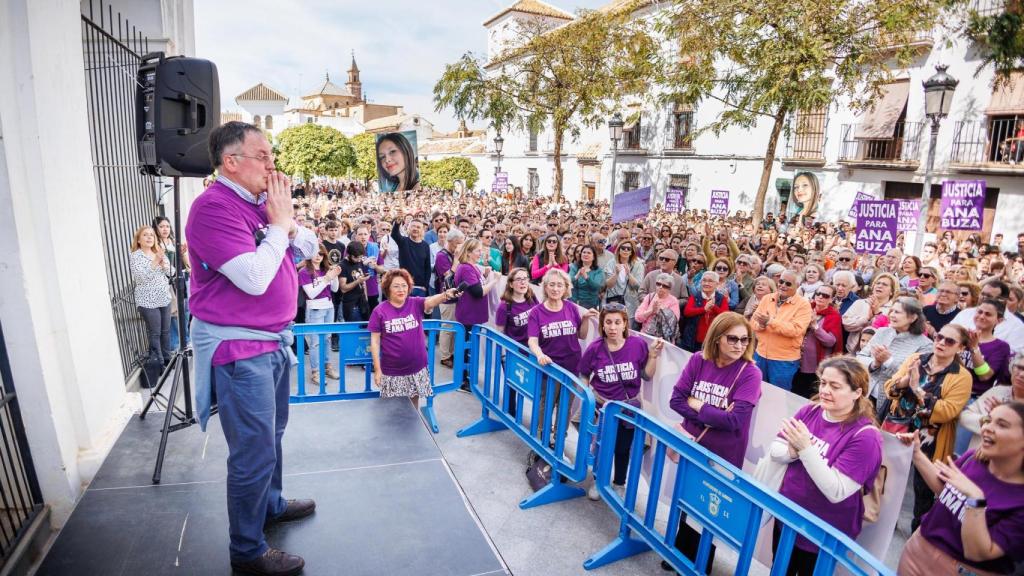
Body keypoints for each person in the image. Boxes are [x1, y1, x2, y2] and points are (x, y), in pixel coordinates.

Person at [186, 121, 319, 575]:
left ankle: (272, 505)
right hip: (240, 350)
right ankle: (246, 551)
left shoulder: (259, 204)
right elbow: (256, 277)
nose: (272, 164)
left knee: (272, 437)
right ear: (231, 162)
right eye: (262, 156)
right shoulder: (213, 208)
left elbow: (309, 245)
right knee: (253, 451)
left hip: (268, 344)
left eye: (271, 155)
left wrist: (283, 226)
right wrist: (281, 227)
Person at [767, 356, 882, 576]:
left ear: (857, 393)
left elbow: (836, 491)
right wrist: (793, 451)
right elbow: (776, 450)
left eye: (835, 386)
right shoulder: (810, 411)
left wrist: (805, 449)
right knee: (780, 569)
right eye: (823, 383)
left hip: (823, 534)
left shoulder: (866, 437)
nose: (825, 391)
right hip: (788, 518)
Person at [665, 312, 762, 573]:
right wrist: (714, 413)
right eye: (733, 339)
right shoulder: (699, 360)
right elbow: (675, 400)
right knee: (685, 498)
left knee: (708, 512)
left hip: (723, 454)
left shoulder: (750, 372)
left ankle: (698, 566)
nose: (740, 345)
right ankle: (677, 551)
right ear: (717, 338)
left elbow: (735, 421)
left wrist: (697, 404)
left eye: (745, 339)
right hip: (692, 443)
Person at [896, 401, 1024, 576]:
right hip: (918, 551)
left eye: (1002, 425)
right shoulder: (973, 458)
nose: (987, 428)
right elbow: (944, 490)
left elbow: (977, 552)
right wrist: (917, 453)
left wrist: (976, 499)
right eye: (989, 420)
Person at [881, 324, 972, 530]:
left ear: (961, 348)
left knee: (923, 491)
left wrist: (917, 389)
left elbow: (947, 411)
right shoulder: (917, 359)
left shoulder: (962, 376)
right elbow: (890, 390)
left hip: (930, 440)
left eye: (950, 341)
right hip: (899, 429)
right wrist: (904, 382)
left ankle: (918, 532)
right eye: (939, 337)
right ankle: (883, 523)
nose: (941, 343)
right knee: (887, 480)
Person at [578, 305, 662, 497]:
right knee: (600, 444)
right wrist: (589, 398)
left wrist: (653, 356)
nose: (613, 327)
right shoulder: (595, 348)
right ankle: (598, 481)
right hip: (603, 408)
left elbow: (647, 376)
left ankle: (619, 483)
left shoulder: (637, 345)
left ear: (625, 324)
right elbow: (583, 375)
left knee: (623, 448)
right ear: (602, 325)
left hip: (628, 408)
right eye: (608, 322)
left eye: (618, 322)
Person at [369, 269, 459, 406]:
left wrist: (446, 295)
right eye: (396, 286)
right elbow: (375, 342)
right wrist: (377, 369)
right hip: (392, 371)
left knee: (413, 406)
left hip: (417, 367)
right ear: (388, 288)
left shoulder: (415, 303)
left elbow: (430, 301)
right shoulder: (379, 311)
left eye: (404, 285)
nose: (401, 289)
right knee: (391, 409)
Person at [856, 297, 933, 403]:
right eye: (891, 311)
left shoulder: (925, 344)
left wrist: (888, 361)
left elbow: (915, 376)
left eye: (897, 312)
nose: (891, 315)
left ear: (913, 317)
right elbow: (860, 357)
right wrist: (875, 363)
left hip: (894, 399)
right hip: (867, 393)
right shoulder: (882, 332)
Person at [752, 270, 813, 391]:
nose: (783, 285)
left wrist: (770, 322)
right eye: (781, 281)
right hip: (760, 355)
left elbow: (796, 330)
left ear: (797, 286)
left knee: (777, 397)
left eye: (788, 284)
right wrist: (761, 325)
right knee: (755, 392)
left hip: (784, 360)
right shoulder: (767, 298)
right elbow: (753, 322)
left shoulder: (803, 305)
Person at [130, 225, 173, 388]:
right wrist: (155, 263)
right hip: (148, 301)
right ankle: (160, 365)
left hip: (164, 298)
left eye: (151, 235)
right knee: (155, 333)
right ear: (139, 240)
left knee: (166, 331)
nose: (149, 237)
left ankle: (168, 360)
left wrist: (164, 264)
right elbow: (141, 278)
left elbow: (171, 272)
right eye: (145, 235)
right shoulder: (136, 256)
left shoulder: (158, 252)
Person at [959, 352, 1024, 452]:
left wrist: (1005, 416)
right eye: (1019, 367)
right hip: (976, 458)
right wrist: (987, 419)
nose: (1022, 374)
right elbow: (964, 417)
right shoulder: (998, 392)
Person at [298, 245, 341, 383]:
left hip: (329, 307)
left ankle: (327, 366)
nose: (318, 256)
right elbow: (311, 294)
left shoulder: (325, 270)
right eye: (315, 253)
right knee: (315, 342)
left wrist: (333, 277)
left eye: (321, 254)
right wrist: (327, 278)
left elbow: (334, 289)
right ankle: (315, 372)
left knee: (327, 339)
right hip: (315, 308)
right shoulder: (304, 272)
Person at [793, 284, 843, 399]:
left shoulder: (834, 316)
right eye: (818, 293)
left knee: (804, 395)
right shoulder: (805, 308)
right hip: (793, 357)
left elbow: (831, 341)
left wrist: (816, 326)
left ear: (831, 299)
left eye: (825, 295)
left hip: (812, 365)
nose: (820, 297)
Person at [153, 215, 191, 349]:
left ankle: (186, 338)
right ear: (156, 228)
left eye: (167, 226)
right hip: (168, 282)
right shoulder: (156, 245)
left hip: (182, 278)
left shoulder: (174, 242)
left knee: (186, 309)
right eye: (161, 226)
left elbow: (186, 262)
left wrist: (184, 254)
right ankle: (175, 344)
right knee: (174, 312)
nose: (165, 229)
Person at [843, 272, 898, 352]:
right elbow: (846, 324)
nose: (879, 286)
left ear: (892, 291)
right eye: (877, 283)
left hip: (877, 354)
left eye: (885, 284)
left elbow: (889, 333)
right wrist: (867, 319)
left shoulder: (894, 309)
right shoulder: (860, 303)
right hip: (852, 352)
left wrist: (877, 314)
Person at [435, 229, 464, 368]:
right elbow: (447, 276)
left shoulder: (453, 254)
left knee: (454, 327)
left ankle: (451, 353)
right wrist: (457, 260)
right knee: (447, 327)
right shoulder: (441, 256)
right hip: (446, 297)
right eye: (458, 243)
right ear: (451, 241)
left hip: (457, 296)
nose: (459, 246)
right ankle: (445, 356)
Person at [680, 271, 729, 352]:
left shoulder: (721, 298)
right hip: (692, 338)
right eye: (704, 280)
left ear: (716, 284)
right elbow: (687, 312)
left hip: (712, 340)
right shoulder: (695, 296)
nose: (706, 283)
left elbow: (726, 316)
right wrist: (704, 309)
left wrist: (713, 306)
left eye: (710, 281)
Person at [390, 213, 431, 296]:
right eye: (413, 226)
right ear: (408, 228)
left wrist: (425, 286)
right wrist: (397, 224)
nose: (415, 229)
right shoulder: (403, 241)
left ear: (422, 230)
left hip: (420, 287)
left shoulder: (425, 246)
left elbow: (428, 268)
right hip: (405, 285)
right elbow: (394, 234)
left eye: (418, 227)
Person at [635, 273, 681, 342]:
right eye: (658, 284)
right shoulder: (649, 297)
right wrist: (651, 311)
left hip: (663, 340)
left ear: (670, 288)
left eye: (665, 286)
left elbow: (673, 322)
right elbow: (637, 317)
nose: (661, 287)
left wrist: (660, 311)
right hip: (645, 335)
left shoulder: (673, 301)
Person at [338, 241, 371, 322]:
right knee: (355, 329)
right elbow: (343, 288)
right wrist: (357, 281)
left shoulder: (359, 262)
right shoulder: (342, 265)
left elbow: (363, 283)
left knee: (365, 329)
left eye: (361, 257)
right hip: (351, 304)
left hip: (362, 302)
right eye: (357, 257)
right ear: (349, 255)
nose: (359, 260)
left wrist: (366, 299)